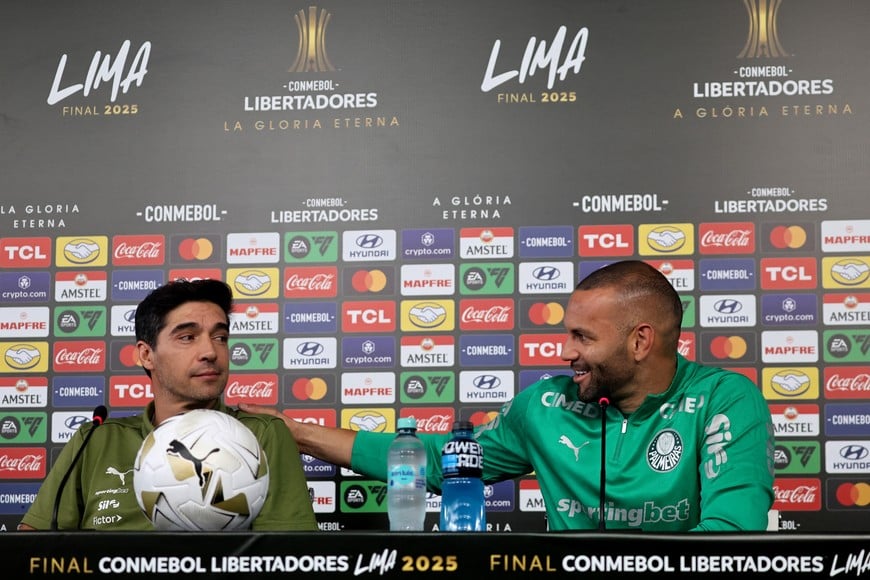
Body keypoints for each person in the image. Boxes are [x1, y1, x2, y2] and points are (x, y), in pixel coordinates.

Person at [243, 260, 775, 531]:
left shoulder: (724, 400)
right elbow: (439, 461)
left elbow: (729, 535)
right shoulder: (544, 406)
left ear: (640, 341)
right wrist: (299, 435)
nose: (565, 352)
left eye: (583, 337)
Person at [19, 279, 317, 531]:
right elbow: (30, 552)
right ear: (146, 355)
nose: (210, 351)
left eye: (220, 337)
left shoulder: (263, 434)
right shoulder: (96, 440)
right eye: (187, 337)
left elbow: (289, 558)